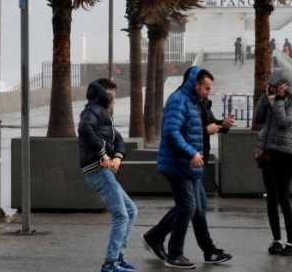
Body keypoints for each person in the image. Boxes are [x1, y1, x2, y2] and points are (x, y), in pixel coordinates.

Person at [142, 68, 234, 267]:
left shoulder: (193, 102)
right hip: (178, 164)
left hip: (191, 165)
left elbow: (193, 129)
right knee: (188, 206)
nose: (209, 92)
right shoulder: (179, 101)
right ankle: (175, 254)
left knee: (197, 208)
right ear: (195, 84)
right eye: (206, 88)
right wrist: (190, 153)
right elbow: (170, 132)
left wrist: (221, 125)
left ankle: (160, 238)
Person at [78, 78, 138, 272]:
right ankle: (110, 264)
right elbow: (84, 129)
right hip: (97, 169)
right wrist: (103, 154)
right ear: (102, 94)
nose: (114, 97)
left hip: (105, 170)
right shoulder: (92, 111)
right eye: (111, 93)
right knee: (121, 215)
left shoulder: (104, 114)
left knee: (131, 211)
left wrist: (118, 157)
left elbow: (118, 139)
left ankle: (119, 258)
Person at [253, 68, 292, 256]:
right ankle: (276, 240)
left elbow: (284, 122)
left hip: (285, 155)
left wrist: (280, 100)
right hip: (268, 153)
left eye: (275, 86)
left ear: (285, 86)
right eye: (271, 86)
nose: (272, 89)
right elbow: (258, 119)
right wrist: (264, 98)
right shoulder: (271, 99)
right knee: (271, 198)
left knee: (283, 198)